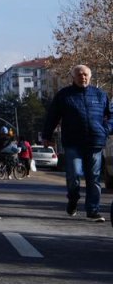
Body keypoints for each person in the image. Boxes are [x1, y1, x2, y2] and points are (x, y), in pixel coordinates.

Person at [41, 64, 113, 222]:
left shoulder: (100, 95)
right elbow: (52, 116)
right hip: (73, 142)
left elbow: (111, 115)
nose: (83, 77)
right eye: (79, 75)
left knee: (94, 178)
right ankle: (73, 199)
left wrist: (106, 129)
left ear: (90, 76)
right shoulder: (64, 95)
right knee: (73, 175)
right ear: (73, 77)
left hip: (95, 142)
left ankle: (93, 211)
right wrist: (46, 135)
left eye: (85, 74)